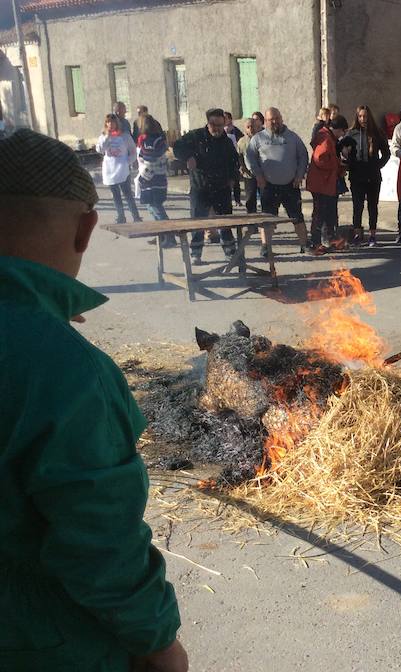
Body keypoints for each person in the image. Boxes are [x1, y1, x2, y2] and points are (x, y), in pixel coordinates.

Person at [0, 128, 186, 672]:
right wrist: (159, 644)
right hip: (37, 644)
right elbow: (98, 542)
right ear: (85, 228)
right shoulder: (62, 369)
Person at [173, 107, 241, 263]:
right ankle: (195, 253)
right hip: (200, 187)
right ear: (208, 123)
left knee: (225, 222)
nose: (217, 129)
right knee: (198, 221)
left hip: (221, 188)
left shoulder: (227, 141)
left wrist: (232, 179)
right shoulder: (196, 136)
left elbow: (233, 162)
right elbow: (177, 146)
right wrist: (188, 157)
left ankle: (230, 251)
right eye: (213, 125)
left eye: (219, 125)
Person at [245, 107, 310, 258]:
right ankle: (266, 247)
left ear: (281, 119)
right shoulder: (258, 139)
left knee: (297, 217)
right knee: (267, 219)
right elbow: (250, 158)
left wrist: (300, 175)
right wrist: (258, 176)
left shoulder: (293, 137)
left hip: (290, 185)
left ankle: (305, 244)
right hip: (268, 185)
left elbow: (303, 156)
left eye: (277, 118)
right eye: (270, 119)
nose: (274, 122)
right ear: (265, 121)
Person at [346, 104, 390, 247]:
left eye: (365, 116)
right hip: (357, 176)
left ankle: (372, 236)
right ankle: (358, 235)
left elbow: (386, 154)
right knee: (357, 206)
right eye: (360, 116)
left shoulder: (377, 133)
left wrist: (377, 165)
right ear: (357, 117)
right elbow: (343, 151)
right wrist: (349, 164)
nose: (363, 119)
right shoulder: (351, 134)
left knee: (373, 206)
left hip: (373, 177)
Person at [307, 114, 348, 255]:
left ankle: (327, 240)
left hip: (323, 182)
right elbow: (320, 158)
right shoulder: (326, 138)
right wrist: (336, 165)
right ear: (338, 129)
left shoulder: (325, 135)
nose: (342, 135)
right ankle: (315, 244)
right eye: (343, 131)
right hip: (321, 183)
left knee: (326, 213)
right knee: (319, 214)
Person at [135, 115, 175, 248]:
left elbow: (150, 161)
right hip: (156, 179)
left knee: (156, 208)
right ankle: (161, 235)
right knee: (151, 207)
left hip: (153, 180)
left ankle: (169, 236)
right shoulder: (155, 139)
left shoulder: (151, 141)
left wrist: (142, 177)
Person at [96, 113, 141, 224]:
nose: (111, 124)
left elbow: (133, 151)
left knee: (127, 194)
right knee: (116, 195)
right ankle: (121, 216)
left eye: (113, 122)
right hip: (110, 169)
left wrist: (127, 162)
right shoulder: (103, 136)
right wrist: (107, 137)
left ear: (117, 123)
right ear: (106, 124)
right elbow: (100, 150)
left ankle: (136, 216)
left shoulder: (124, 136)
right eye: (108, 122)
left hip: (122, 168)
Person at [236, 115, 261, 214]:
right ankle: (251, 223)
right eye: (248, 127)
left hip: (263, 174)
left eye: (253, 126)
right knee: (250, 199)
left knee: (265, 198)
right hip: (249, 175)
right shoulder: (242, 142)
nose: (251, 129)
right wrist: (242, 168)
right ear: (245, 129)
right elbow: (239, 157)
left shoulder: (263, 139)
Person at [224, 111, 245, 206]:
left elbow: (241, 141)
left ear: (230, 119)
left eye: (226, 118)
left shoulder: (235, 130)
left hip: (233, 157)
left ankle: (237, 199)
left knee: (236, 181)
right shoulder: (220, 130)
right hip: (224, 158)